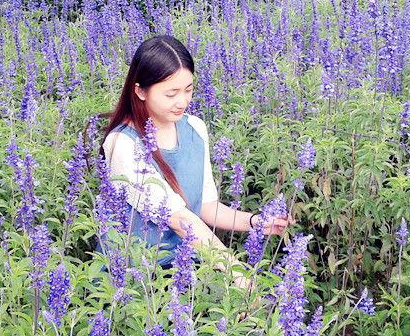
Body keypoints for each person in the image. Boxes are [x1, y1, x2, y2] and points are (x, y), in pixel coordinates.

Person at [95, 34, 292, 293]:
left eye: (188, 89)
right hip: (131, 276)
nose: (182, 101)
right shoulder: (122, 143)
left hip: (185, 265)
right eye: (171, 93)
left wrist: (256, 221)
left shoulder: (195, 128)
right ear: (140, 90)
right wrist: (237, 275)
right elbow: (178, 218)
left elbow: (205, 206)